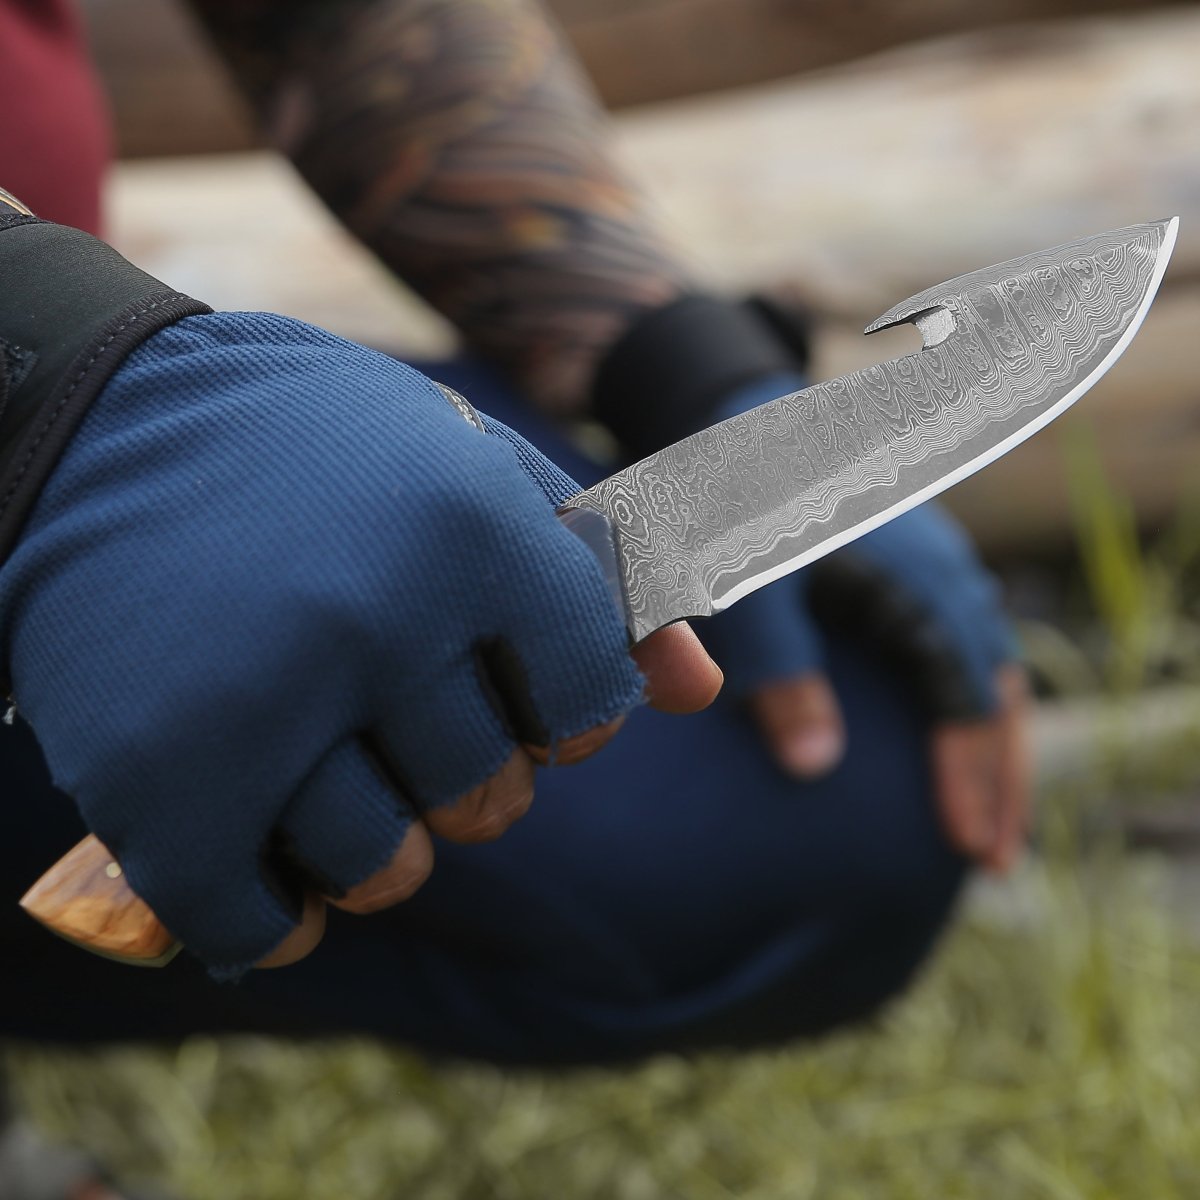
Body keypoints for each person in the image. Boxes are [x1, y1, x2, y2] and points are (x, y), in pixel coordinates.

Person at [1, 0, 1026, 1102]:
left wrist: (671, 355)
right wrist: (41, 363)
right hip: (64, 434)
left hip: (92, 474)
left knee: (835, 805)